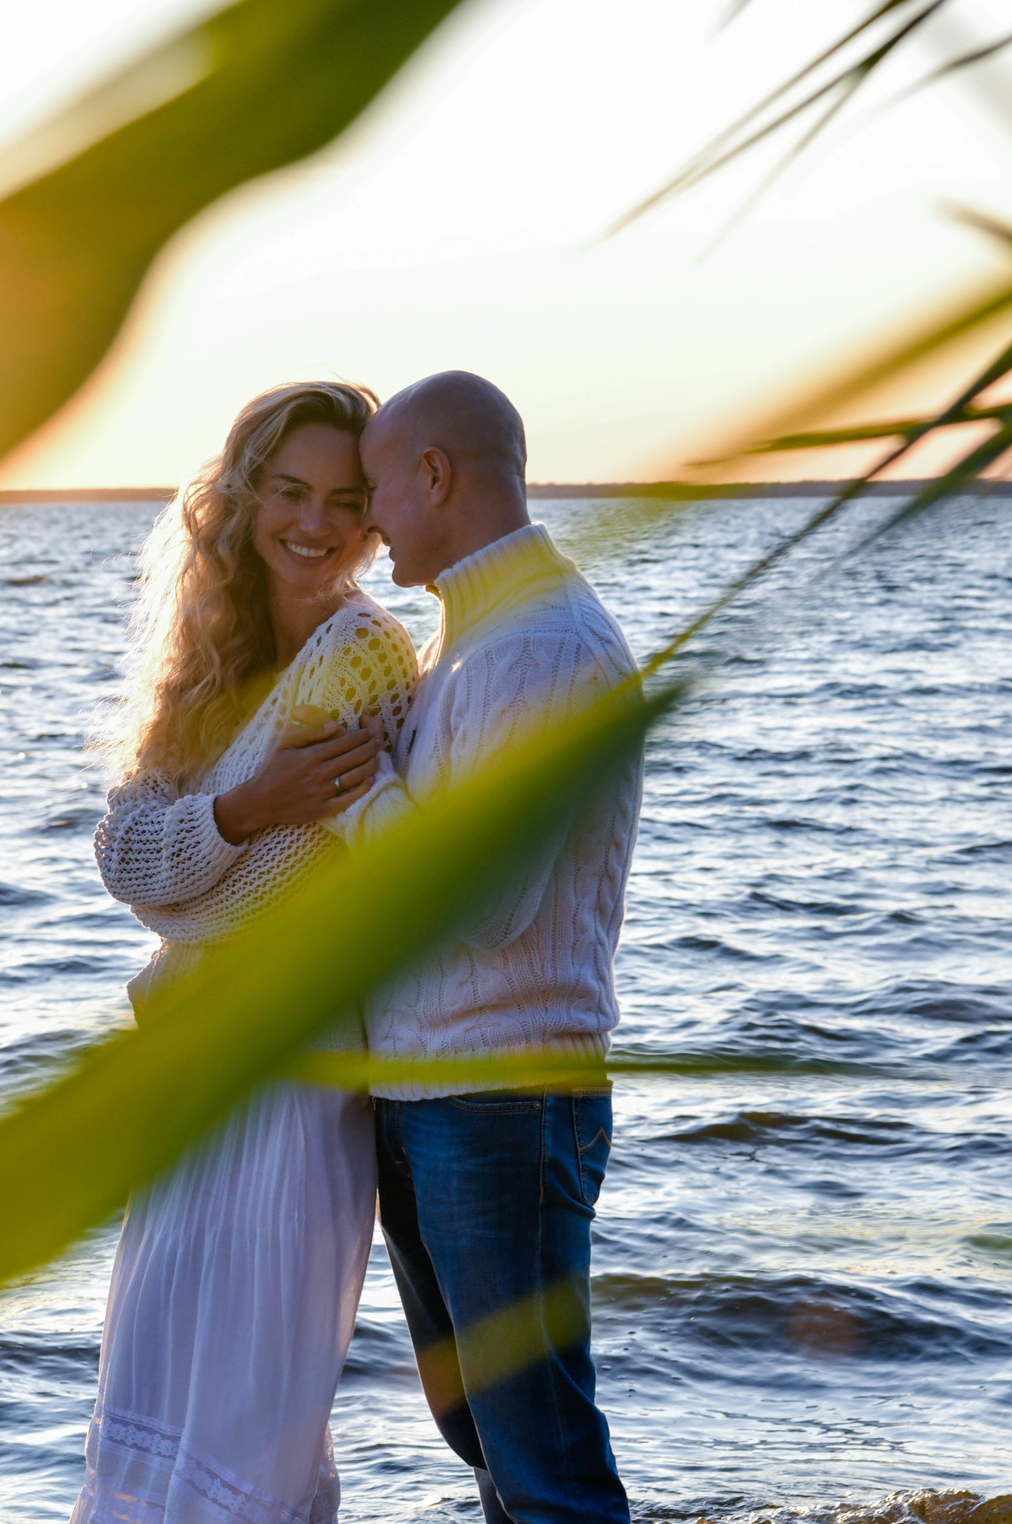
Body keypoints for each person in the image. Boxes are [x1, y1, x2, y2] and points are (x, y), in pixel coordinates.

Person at [79, 380, 419, 1524]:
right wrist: (246, 809)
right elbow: (129, 869)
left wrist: (208, 846)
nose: (313, 523)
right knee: (166, 1381)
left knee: (254, 1408)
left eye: (342, 499)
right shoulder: (202, 661)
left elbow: (232, 910)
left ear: (376, 519)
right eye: (288, 491)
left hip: (296, 1072)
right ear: (242, 495)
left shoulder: (364, 656)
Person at [334, 369, 643, 1524]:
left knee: (541, 1458)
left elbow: (484, 902)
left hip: (502, 1097)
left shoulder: (537, 649)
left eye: (374, 489)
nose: (367, 519)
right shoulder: (470, 642)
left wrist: (358, 786)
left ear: (434, 475)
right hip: (437, 1091)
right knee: (487, 1439)